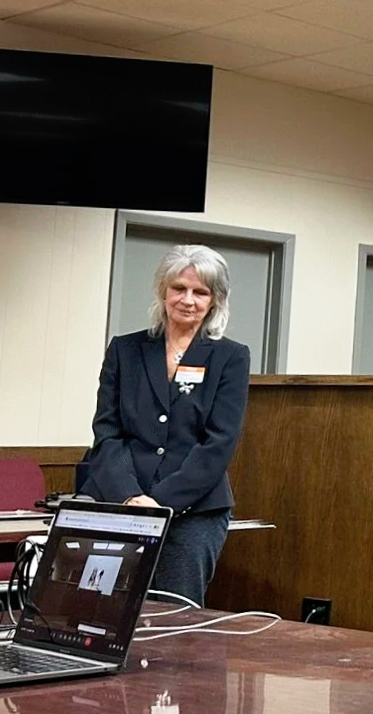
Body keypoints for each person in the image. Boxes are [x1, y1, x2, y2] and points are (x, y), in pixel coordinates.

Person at [78, 245, 249, 605]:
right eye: (179, 288)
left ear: (215, 300)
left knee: (173, 618)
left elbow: (218, 443)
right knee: (100, 608)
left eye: (201, 292)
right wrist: (130, 496)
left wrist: (159, 502)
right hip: (118, 501)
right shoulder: (126, 350)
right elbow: (107, 432)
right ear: (163, 290)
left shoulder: (230, 356)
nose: (188, 300)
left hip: (192, 511)